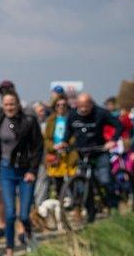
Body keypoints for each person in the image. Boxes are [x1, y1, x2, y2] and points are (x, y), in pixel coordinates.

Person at [0, 88, 43, 256]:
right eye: (6, 104)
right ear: (2, 106)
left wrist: (33, 170)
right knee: (10, 214)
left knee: (24, 214)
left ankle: (29, 235)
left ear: (18, 104)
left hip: (25, 171)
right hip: (6, 171)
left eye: (12, 104)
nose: (9, 107)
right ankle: (9, 253)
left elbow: (37, 147)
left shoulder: (29, 121)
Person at [63, 92, 124, 222]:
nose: (84, 109)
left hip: (100, 151)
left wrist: (113, 140)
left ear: (91, 104)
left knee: (105, 179)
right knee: (83, 184)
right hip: (82, 152)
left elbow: (119, 125)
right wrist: (64, 142)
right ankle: (91, 212)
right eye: (81, 106)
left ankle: (113, 204)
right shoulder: (72, 115)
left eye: (86, 106)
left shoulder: (101, 113)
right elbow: (68, 131)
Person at [42, 94, 77, 200]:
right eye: (58, 105)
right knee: (58, 182)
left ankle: (76, 206)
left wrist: (67, 143)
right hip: (56, 155)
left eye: (63, 105)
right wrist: (54, 146)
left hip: (70, 154)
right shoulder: (50, 120)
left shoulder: (72, 118)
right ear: (55, 106)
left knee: (73, 181)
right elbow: (47, 138)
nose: (61, 107)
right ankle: (60, 204)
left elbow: (76, 135)